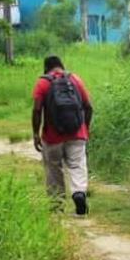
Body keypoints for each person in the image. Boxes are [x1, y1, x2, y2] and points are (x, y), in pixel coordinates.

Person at [32, 55, 93, 215]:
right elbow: (88, 107)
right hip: (77, 133)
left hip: (52, 137)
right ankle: (79, 193)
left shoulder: (42, 83)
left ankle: (57, 205)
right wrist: (85, 129)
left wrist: (36, 134)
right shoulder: (75, 79)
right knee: (77, 164)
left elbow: (37, 110)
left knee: (53, 169)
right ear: (61, 66)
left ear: (46, 68)